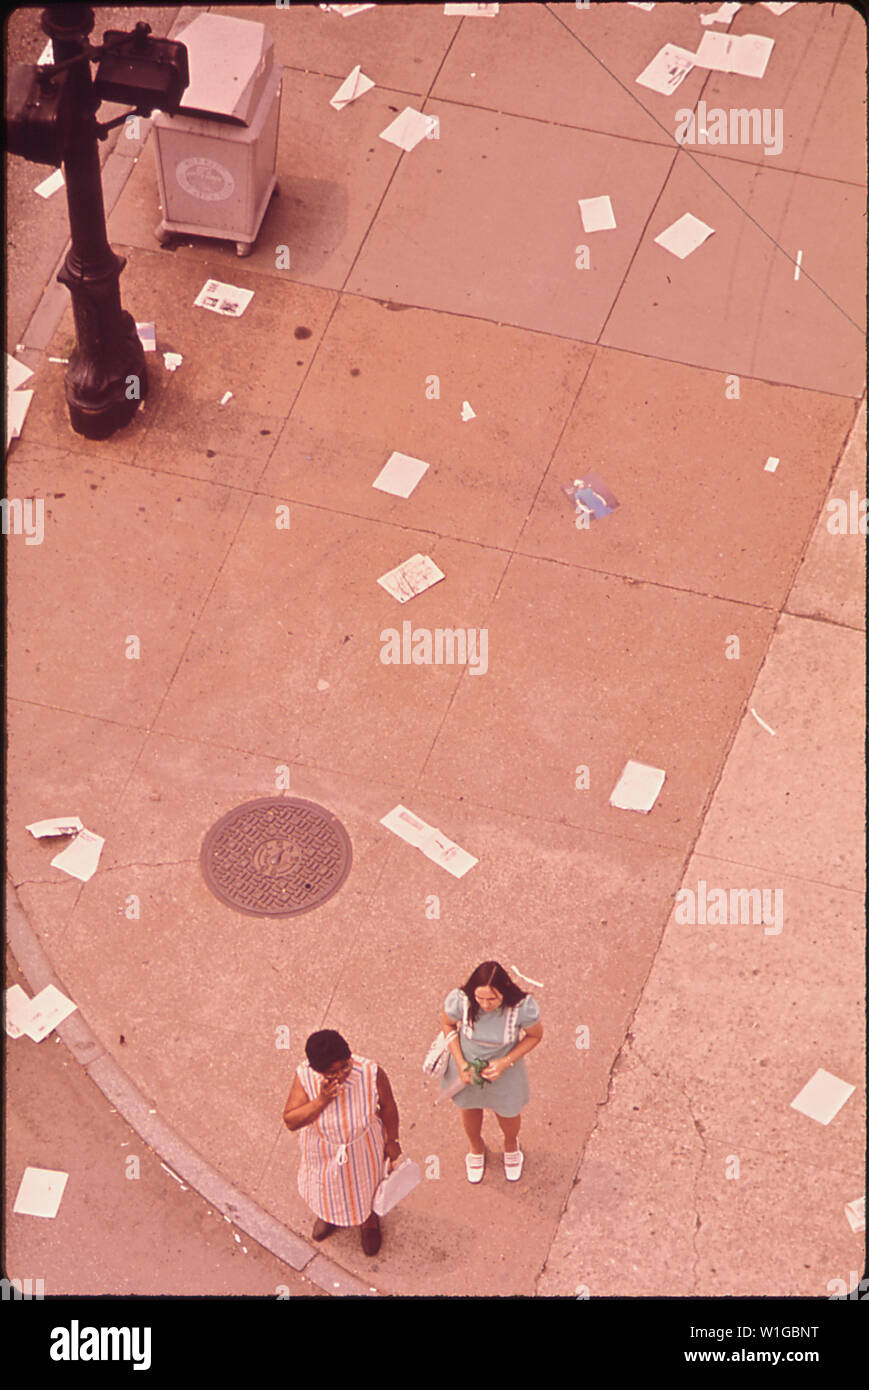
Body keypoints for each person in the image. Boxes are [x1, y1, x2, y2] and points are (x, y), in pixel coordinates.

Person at [283, 1029, 401, 1255]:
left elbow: (388, 1106)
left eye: (344, 1067)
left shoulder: (370, 1073)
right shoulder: (305, 1077)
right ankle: (329, 1215)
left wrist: (392, 1140)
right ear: (317, 1070)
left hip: (363, 1149)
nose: (340, 1075)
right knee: (327, 1187)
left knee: (367, 1186)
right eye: (331, 1072)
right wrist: (322, 1100)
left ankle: (368, 1220)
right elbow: (291, 1121)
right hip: (324, 1151)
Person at [438, 961, 542, 1183]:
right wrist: (461, 1063)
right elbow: (447, 1025)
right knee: (469, 1108)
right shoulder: (461, 1001)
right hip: (467, 1068)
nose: (485, 1004)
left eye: (492, 999)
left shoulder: (521, 1008)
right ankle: (476, 1147)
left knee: (508, 1112)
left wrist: (505, 1062)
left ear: (504, 991)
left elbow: (535, 1036)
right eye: (480, 998)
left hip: (505, 1071)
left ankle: (511, 1145)